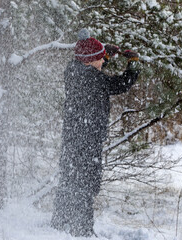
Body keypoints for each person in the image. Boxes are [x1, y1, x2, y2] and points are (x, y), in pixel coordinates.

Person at [51, 28, 140, 237]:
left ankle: (59, 225)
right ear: (89, 61)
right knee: (87, 185)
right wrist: (133, 64)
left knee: (68, 181)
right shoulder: (94, 80)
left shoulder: (72, 69)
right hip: (88, 140)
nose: (102, 63)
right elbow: (121, 83)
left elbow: (92, 68)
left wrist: (104, 55)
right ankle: (83, 231)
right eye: (100, 59)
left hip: (73, 137)